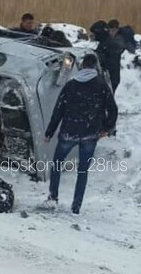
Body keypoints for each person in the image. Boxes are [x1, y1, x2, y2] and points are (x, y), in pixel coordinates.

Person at [44, 53, 117, 214]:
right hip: (90, 134)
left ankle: (53, 197)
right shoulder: (101, 85)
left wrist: (49, 131)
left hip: (69, 132)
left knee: (57, 165)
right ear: (95, 66)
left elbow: (59, 109)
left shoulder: (71, 85)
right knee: (82, 171)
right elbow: (113, 109)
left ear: (82, 65)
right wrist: (107, 128)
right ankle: (76, 206)